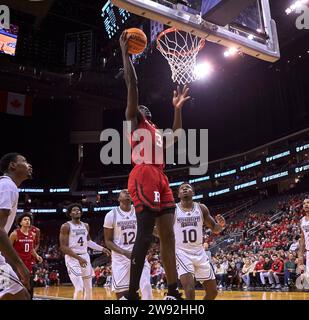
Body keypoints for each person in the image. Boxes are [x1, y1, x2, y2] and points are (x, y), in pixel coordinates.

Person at [120, 31, 190, 300]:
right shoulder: (133, 121)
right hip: (143, 173)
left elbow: (178, 135)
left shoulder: (156, 132)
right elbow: (132, 87)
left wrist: (177, 108)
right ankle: (131, 292)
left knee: (168, 237)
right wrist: (127, 57)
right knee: (145, 235)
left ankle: (172, 291)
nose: (142, 109)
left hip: (161, 176)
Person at [174, 183, 226, 300]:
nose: (185, 189)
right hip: (181, 252)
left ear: (193, 192)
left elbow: (214, 228)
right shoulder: (173, 209)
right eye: (182, 188)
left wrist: (221, 225)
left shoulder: (201, 208)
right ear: (178, 194)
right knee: (190, 290)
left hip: (199, 252)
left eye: (188, 187)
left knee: (213, 292)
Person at [104, 189, 153, 300]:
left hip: (138, 255)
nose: (127, 192)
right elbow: (108, 241)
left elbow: (147, 231)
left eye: (129, 192)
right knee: (122, 294)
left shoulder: (139, 212)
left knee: (146, 287)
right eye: (124, 192)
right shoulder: (111, 215)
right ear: (119, 198)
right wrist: (124, 252)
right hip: (120, 258)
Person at [59, 203, 110, 300]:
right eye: (74, 210)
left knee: (89, 288)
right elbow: (63, 247)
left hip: (85, 257)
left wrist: (102, 249)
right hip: (73, 258)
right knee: (79, 288)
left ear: (81, 212)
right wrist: (79, 258)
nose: (77, 211)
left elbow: (88, 242)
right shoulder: (66, 226)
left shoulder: (85, 225)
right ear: (70, 214)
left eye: (78, 210)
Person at [0, 153, 32, 300]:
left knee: (13, 295)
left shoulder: (7, 186)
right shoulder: (8, 186)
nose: (29, 165)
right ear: (12, 165)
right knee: (21, 296)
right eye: (24, 161)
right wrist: (19, 265)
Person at [10, 212, 43, 297]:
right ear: (20, 222)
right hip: (18, 263)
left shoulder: (32, 234)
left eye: (28, 220)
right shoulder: (15, 234)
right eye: (25, 219)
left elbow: (31, 249)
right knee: (18, 283)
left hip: (29, 262)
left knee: (29, 284)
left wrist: (37, 256)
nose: (27, 221)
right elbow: (9, 249)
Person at [298, 198, 309, 275]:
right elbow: (302, 239)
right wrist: (300, 255)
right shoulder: (302, 220)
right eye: (304, 203)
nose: (306, 204)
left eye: (308, 202)